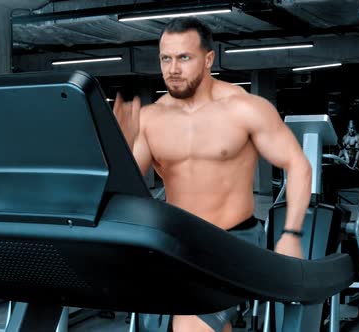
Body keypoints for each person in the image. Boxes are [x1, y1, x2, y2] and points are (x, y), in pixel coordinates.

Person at [112, 18, 312, 332]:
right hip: (175, 244)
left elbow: (298, 164)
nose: (173, 68)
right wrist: (118, 147)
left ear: (208, 59)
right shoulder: (150, 119)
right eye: (166, 58)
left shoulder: (245, 109)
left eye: (184, 58)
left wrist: (291, 234)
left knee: (190, 327)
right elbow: (125, 187)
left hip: (232, 242)